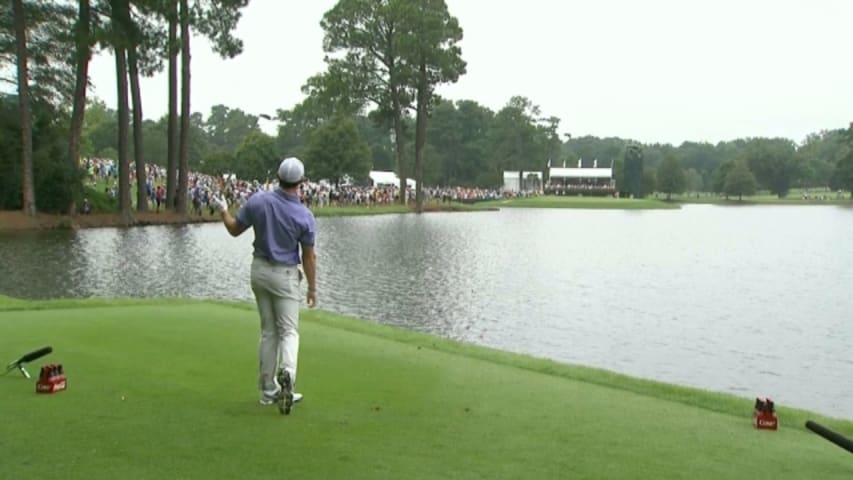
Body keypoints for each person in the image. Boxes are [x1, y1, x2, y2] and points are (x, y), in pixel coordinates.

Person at [213, 157, 317, 415]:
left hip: (259, 270)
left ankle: (267, 390)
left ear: (278, 176)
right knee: (289, 332)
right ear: (301, 182)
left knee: (269, 331)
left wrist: (223, 210)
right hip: (284, 274)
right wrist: (312, 288)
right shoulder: (304, 215)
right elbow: (308, 256)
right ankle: (288, 376)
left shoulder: (259, 200)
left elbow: (235, 229)